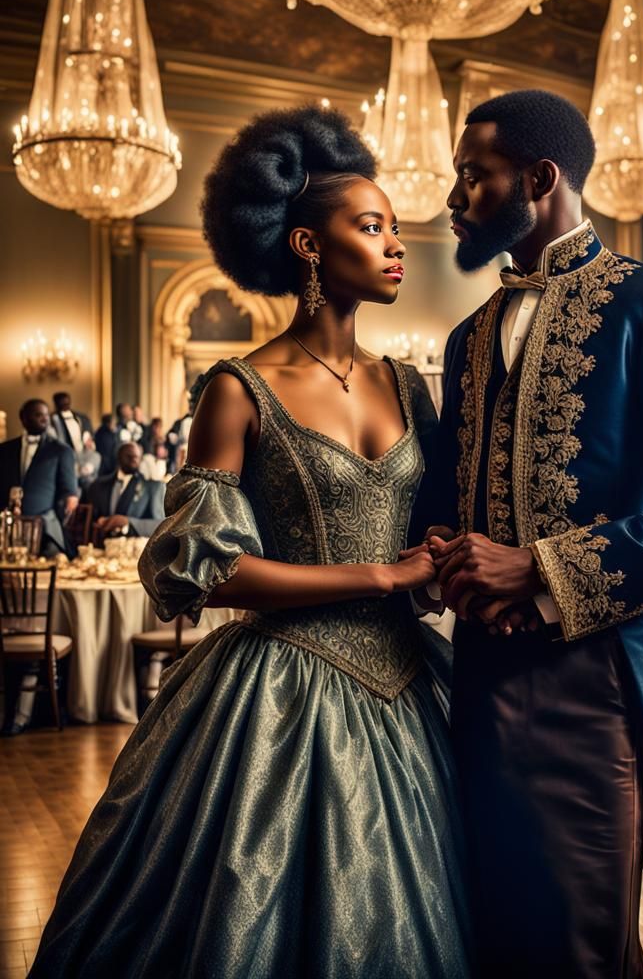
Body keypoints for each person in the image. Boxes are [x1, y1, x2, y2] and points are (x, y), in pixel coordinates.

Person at [29, 106, 471, 979]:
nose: (396, 244)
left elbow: (430, 535)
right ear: (308, 244)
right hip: (282, 688)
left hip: (414, 685)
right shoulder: (240, 388)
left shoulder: (411, 387)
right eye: (370, 225)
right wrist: (383, 575)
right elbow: (205, 567)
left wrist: (437, 561)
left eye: (394, 226)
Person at [411, 89, 643, 978]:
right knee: (492, 929)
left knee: (581, 942)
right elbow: (450, 499)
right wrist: (446, 556)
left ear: (540, 177)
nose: (454, 199)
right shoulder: (468, 336)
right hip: (477, 680)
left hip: (590, 684)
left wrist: (537, 569)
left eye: (472, 177)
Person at [0, 399, 78, 556]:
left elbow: (69, 492)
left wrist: (64, 512)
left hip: (45, 529)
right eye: (38, 415)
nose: (44, 419)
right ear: (23, 418)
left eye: (46, 415)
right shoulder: (4, 450)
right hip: (7, 527)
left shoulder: (61, 450)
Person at [81, 441, 166, 539]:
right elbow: (88, 517)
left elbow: (160, 525)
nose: (133, 459)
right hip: (100, 547)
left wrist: (129, 523)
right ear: (118, 457)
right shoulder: (98, 485)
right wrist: (100, 521)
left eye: (136, 457)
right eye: (128, 455)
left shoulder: (153, 487)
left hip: (133, 549)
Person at [50, 391, 93, 460]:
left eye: (67, 402)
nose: (65, 404)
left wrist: (88, 441)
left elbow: (87, 433)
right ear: (56, 403)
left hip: (80, 452)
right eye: (62, 402)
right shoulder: (52, 419)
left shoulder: (81, 417)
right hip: (61, 454)